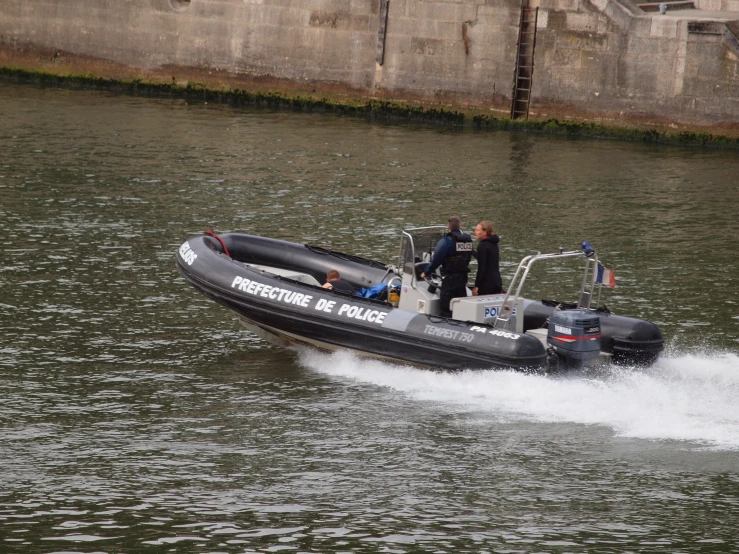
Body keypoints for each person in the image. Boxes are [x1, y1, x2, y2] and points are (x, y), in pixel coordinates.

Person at [420, 216, 472, 318]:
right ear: (459, 227)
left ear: (449, 227)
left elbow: (436, 260)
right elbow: (468, 257)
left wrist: (426, 272)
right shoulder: (467, 240)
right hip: (463, 279)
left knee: (446, 307)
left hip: (450, 280)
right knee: (460, 306)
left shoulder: (446, 241)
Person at [472, 220, 503, 296]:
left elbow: (482, 267)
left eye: (477, 230)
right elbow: (484, 258)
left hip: (487, 284)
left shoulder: (482, 245)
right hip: (497, 282)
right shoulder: (493, 243)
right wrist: (471, 250)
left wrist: (477, 286)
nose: (474, 232)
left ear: (485, 232)